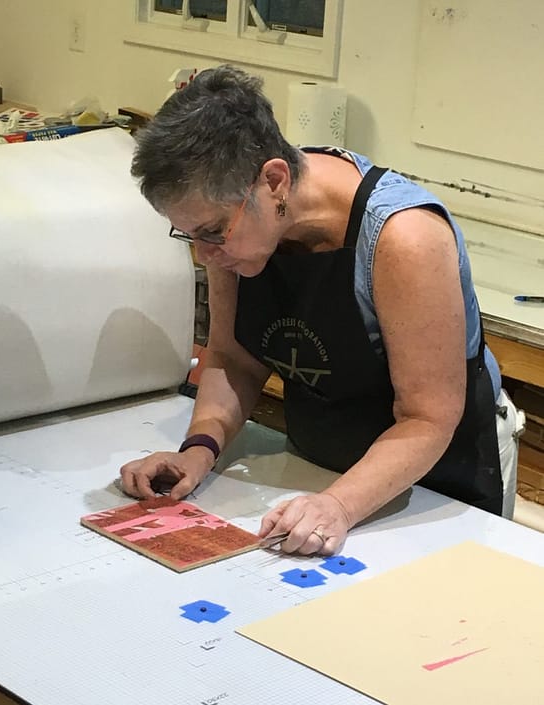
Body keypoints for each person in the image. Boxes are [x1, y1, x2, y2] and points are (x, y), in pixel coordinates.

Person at [120, 64, 520, 556]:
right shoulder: (237, 223)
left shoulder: (403, 237)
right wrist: (199, 450)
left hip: (437, 480)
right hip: (320, 475)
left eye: (211, 232)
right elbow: (233, 357)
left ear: (274, 180)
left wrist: (340, 506)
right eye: (190, 235)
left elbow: (428, 418)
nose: (205, 255)